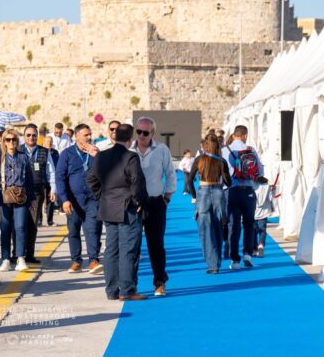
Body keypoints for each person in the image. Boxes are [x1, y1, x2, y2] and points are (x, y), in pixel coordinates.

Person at [86, 123, 149, 300]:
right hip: (127, 208)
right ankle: (127, 290)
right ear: (130, 139)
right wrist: (138, 201)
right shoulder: (131, 157)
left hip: (108, 207)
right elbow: (137, 181)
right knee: (128, 249)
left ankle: (111, 290)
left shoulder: (102, 155)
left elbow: (90, 179)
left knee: (111, 249)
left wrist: (102, 195)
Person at [131, 116, 176, 296]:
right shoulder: (129, 150)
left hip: (155, 202)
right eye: (139, 131)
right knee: (132, 246)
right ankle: (130, 285)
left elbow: (171, 174)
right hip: (133, 204)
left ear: (153, 133)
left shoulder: (162, 150)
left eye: (145, 132)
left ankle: (159, 282)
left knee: (156, 245)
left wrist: (167, 198)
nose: (141, 136)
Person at [55, 123, 103, 273]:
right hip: (74, 200)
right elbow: (60, 177)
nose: (89, 137)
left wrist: (98, 156)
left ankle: (93, 260)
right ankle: (76, 261)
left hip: (92, 198)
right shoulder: (67, 154)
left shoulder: (96, 152)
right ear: (77, 136)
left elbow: (106, 172)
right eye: (85, 135)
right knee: (73, 230)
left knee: (92, 229)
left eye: (90, 134)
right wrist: (64, 199)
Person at [186, 135, 231, 274]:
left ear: (205, 145)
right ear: (217, 146)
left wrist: (194, 196)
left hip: (203, 193)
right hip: (218, 191)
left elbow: (189, 181)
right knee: (218, 227)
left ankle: (212, 265)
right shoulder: (221, 161)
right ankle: (218, 259)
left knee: (205, 230)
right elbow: (228, 182)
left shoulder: (199, 159)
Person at [222, 125, 263, 270]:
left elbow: (222, 172)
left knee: (234, 225)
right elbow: (259, 169)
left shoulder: (225, 151)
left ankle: (235, 260)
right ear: (245, 135)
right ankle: (247, 254)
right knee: (249, 224)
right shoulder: (251, 150)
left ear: (233, 135)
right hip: (248, 191)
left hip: (231, 191)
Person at [0, 129, 34, 272]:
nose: (11, 142)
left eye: (14, 140)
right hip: (4, 197)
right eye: (8, 139)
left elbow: (29, 178)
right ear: (4, 141)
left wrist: (31, 199)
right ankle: (5, 259)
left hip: (21, 195)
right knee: (5, 228)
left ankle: (20, 257)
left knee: (20, 227)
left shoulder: (23, 157)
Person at [20, 123, 58, 262]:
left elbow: (51, 171)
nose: (31, 137)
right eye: (28, 135)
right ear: (24, 137)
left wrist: (53, 189)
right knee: (19, 224)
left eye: (34, 135)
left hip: (36, 193)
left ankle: (29, 254)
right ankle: (17, 254)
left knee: (32, 223)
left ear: (37, 137)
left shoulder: (44, 151)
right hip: (19, 193)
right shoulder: (18, 150)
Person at [253, 179, 275, 258]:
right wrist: (273, 191)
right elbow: (271, 198)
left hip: (253, 212)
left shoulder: (253, 186)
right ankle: (261, 245)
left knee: (253, 231)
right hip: (264, 212)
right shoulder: (268, 187)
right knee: (262, 230)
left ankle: (254, 249)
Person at [42, 134, 59, 225]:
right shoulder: (40, 151)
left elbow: (57, 164)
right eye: (48, 142)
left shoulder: (55, 152)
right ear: (43, 142)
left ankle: (50, 220)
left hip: (51, 179)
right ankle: (39, 220)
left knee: (51, 200)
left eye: (51, 142)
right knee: (39, 200)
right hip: (41, 178)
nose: (50, 143)